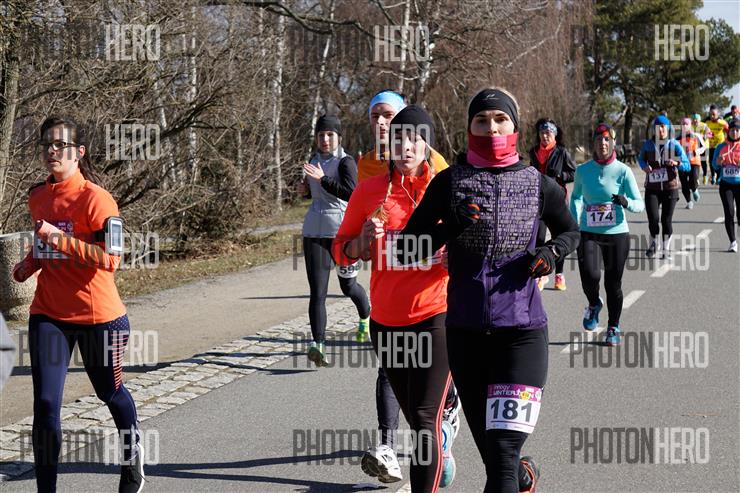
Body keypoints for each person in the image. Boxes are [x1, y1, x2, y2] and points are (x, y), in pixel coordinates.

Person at [396, 88, 580, 493]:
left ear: (514, 127)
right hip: (465, 336)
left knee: (501, 456)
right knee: (497, 459)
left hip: (522, 336)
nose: (491, 128)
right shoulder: (449, 183)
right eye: (482, 120)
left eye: (500, 119)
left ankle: (514, 473)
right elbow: (406, 249)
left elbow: (571, 231)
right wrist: (450, 226)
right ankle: (523, 476)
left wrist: (551, 253)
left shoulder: (538, 184)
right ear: (469, 128)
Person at [11, 117, 144, 492]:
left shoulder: (97, 199)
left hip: (98, 317)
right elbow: (44, 245)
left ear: (79, 152)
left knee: (110, 393)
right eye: (46, 145)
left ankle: (132, 458)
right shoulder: (38, 196)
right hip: (49, 314)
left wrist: (58, 238)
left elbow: (111, 259)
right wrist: (29, 264)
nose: (52, 151)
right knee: (45, 405)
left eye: (61, 145)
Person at [334, 105, 454, 491]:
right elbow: (341, 251)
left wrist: (455, 255)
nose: (406, 147)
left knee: (423, 420)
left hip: (436, 314)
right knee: (418, 419)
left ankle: (438, 434)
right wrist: (361, 241)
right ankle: (445, 431)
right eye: (399, 139)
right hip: (386, 322)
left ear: (427, 145)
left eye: (415, 139)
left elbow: (473, 241)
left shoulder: (446, 188)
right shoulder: (369, 191)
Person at [300, 115, 370, 366]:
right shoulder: (313, 160)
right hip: (313, 232)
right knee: (317, 292)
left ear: (338, 137)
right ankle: (318, 344)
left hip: (342, 233)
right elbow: (314, 193)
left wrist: (323, 180)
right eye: (321, 135)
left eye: (330, 135)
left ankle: (365, 315)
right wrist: (304, 191)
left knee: (348, 287)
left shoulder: (346, 162)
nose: (325, 139)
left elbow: (352, 194)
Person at [570, 123, 645, 346]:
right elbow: (576, 197)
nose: (602, 143)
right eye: (598, 139)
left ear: (613, 143)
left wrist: (626, 202)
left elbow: (639, 204)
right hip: (589, 232)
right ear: (593, 143)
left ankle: (613, 326)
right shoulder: (583, 170)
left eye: (607, 140)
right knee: (590, 277)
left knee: (613, 284)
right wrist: (574, 220)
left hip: (616, 234)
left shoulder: (623, 171)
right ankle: (594, 303)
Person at [528, 118, 576, 291]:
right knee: (538, 237)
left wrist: (561, 175)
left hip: (557, 200)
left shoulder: (561, 152)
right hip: (538, 200)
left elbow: (573, 173)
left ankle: (559, 275)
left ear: (554, 134)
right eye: (542, 133)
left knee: (558, 237)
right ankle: (541, 273)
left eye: (548, 133)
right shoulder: (533, 152)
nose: (545, 136)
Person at [638, 115, 690, 259]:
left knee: (666, 220)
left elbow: (687, 165)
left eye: (663, 126)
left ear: (668, 128)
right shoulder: (648, 145)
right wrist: (644, 166)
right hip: (652, 188)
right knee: (653, 219)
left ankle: (666, 248)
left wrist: (676, 163)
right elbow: (640, 159)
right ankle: (654, 244)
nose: (660, 130)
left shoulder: (675, 145)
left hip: (670, 188)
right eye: (657, 127)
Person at [711, 117, 740, 252]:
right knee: (729, 212)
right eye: (732, 130)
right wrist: (718, 162)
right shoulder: (721, 147)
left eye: (737, 130)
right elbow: (714, 166)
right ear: (728, 132)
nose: (734, 133)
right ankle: (733, 242)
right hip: (726, 184)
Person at [678, 117, 706, 209]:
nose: (684, 126)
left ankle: (694, 189)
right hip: (682, 163)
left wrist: (695, 152)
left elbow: (703, 147)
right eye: (683, 124)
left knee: (693, 180)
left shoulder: (696, 136)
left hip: (694, 162)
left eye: (686, 124)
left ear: (690, 125)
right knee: (684, 183)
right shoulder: (678, 138)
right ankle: (689, 201)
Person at [704, 105, 729, 185]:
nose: (712, 116)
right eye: (710, 114)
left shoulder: (722, 122)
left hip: (720, 145)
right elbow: (703, 131)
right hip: (711, 145)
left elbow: (728, 130)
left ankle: (719, 176)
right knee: (711, 161)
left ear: (717, 114)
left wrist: (721, 122)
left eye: (714, 114)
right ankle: (713, 176)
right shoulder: (707, 122)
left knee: (719, 161)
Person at [691, 113, 713, 183]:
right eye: (693, 119)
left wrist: (704, 136)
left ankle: (705, 175)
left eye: (696, 119)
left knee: (703, 162)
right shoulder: (690, 126)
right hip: (695, 147)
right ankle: (696, 178)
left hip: (704, 146)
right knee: (695, 162)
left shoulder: (704, 125)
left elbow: (711, 134)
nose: (695, 121)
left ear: (699, 120)